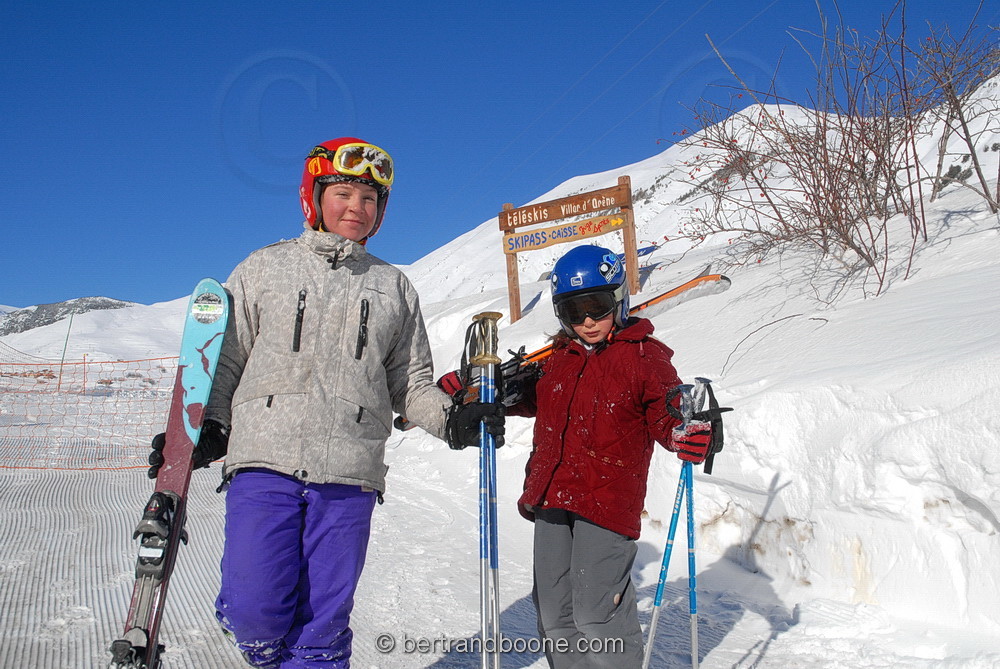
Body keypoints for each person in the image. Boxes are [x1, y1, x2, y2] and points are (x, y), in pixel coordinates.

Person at [148, 137, 503, 668]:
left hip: (350, 472)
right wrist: (208, 427)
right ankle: (259, 641)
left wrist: (452, 420)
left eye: (370, 199)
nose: (357, 209)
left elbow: (409, 381)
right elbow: (226, 359)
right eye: (343, 193)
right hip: (264, 462)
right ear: (312, 197)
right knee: (254, 610)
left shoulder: (394, 287)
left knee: (322, 623)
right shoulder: (263, 269)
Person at [507, 244, 714, 669]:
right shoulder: (555, 360)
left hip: (605, 502)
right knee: (554, 615)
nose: (586, 321)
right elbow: (525, 396)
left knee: (596, 616)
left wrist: (685, 431)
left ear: (618, 300)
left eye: (597, 307)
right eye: (573, 311)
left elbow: (666, 412)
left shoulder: (643, 357)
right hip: (551, 496)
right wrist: (482, 390)